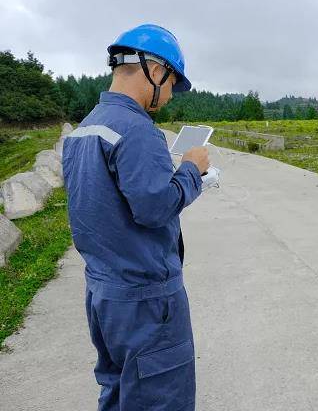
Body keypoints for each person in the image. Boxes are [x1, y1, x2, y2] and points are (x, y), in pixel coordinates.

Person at [62, 24, 209, 410]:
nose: (170, 96)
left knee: (118, 392)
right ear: (155, 70)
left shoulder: (84, 128)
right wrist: (192, 169)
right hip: (147, 302)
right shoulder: (137, 129)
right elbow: (156, 207)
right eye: (173, 83)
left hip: (105, 296)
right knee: (160, 399)